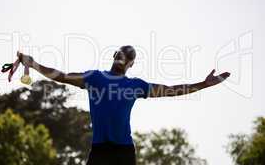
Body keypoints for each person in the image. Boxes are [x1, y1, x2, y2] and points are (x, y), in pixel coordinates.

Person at [17, 45, 230, 165]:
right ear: (115, 55)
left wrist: (202, 85)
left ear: (131, 64)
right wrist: (32, 63)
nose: (124, 57)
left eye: (129, 56)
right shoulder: (94, 78)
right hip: (99, 151)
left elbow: (171, 89)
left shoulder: (135, 86)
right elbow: (61, 76)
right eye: (121, 53)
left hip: (124, 153)